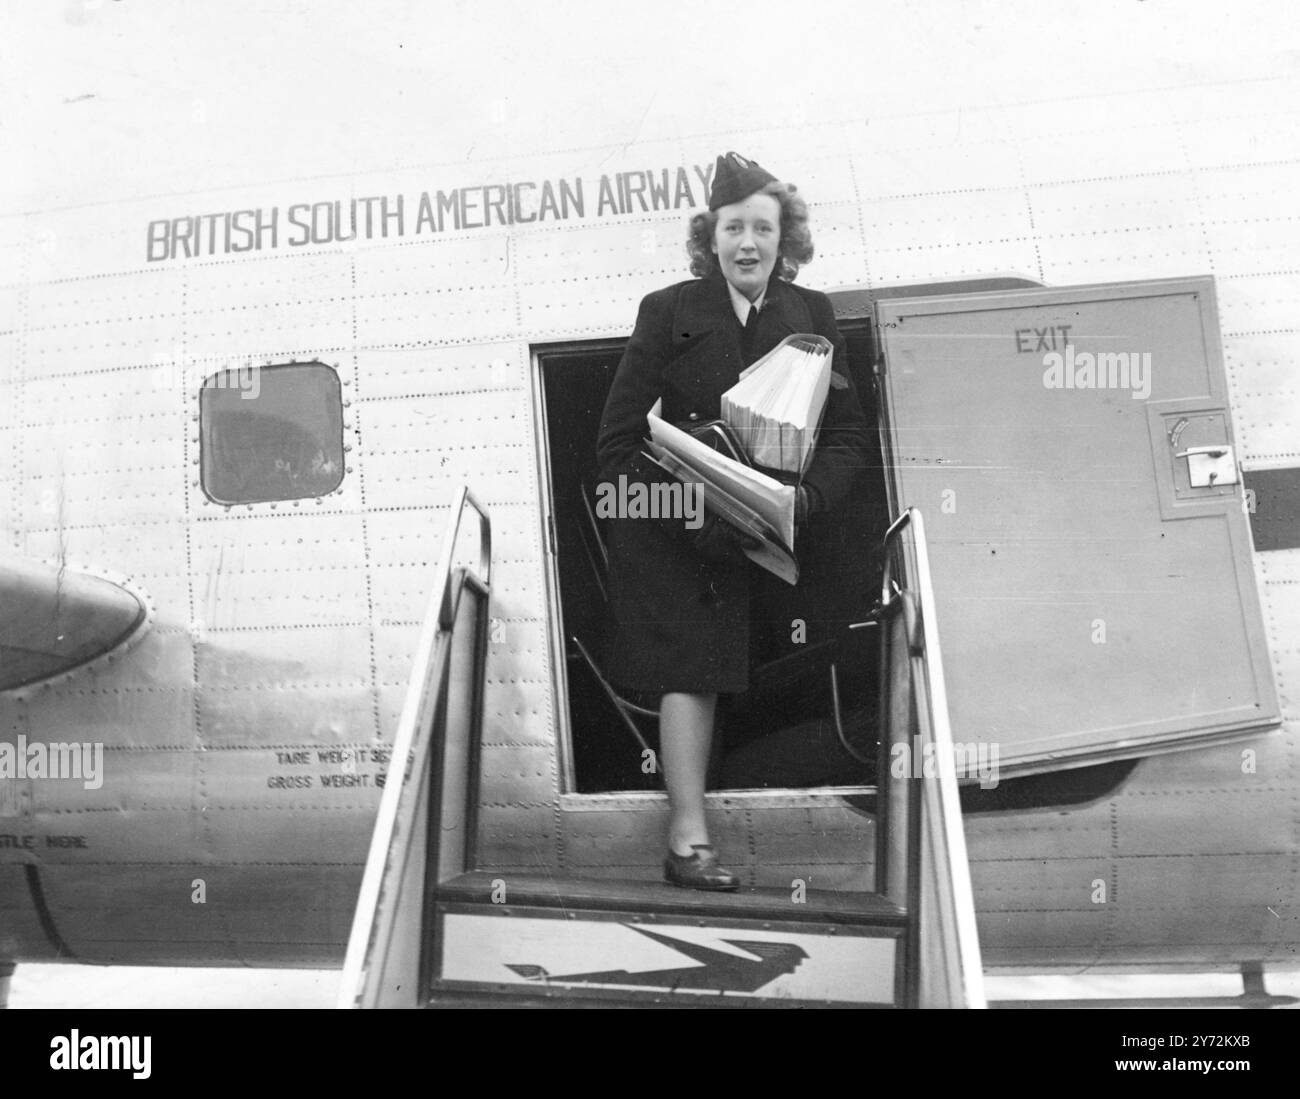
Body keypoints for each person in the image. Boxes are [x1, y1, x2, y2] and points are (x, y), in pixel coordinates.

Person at [596, 152, 870, 890]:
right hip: (684, 538)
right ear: (709, 238)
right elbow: (615, 453)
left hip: (779, 530)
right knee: (694, 666)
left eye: (763, 228)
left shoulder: (812, 315)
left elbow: (847, 435)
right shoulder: (666, 312)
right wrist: (701, 520)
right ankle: (688, 842)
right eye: (733, 229)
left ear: (786, 239)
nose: (748, 244)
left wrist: (805, 501)